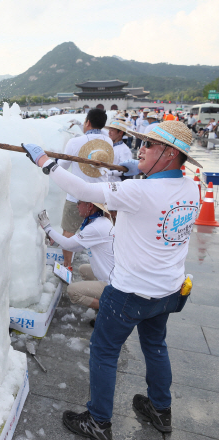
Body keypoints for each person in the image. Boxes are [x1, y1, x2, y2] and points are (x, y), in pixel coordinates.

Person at [22, 120, 201, 439]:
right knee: (156, 346)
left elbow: (85, 190)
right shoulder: (191, 188)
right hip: (169, 290)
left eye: (149, 145)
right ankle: (161, 409)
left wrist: (45, 163)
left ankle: (99, 421)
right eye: (141, 143)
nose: (140, 149)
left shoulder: (140, 191)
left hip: (131, 292)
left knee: (104, 352)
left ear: (171, 153)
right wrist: (138, 170)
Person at [57, 108, 113, 269]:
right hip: (101, 197)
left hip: (77, 197)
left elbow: (62, 167)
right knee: (103, 233)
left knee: (68, 231)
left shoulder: (75, 142)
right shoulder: (108, 142)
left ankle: (68, 265)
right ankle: (103, 264)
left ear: (87, 122)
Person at [38, 202, 114, 318]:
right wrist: (56, 242)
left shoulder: (96, 227)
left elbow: (69, 244)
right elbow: (76, 246)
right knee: (83, 269)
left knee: (73, 291)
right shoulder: (100, 221)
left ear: (90, 206)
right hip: (113, 274)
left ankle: (110, 306)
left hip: (113, 284)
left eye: (79, 203)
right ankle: (104, 298)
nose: (77, 206)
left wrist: (48, 228)